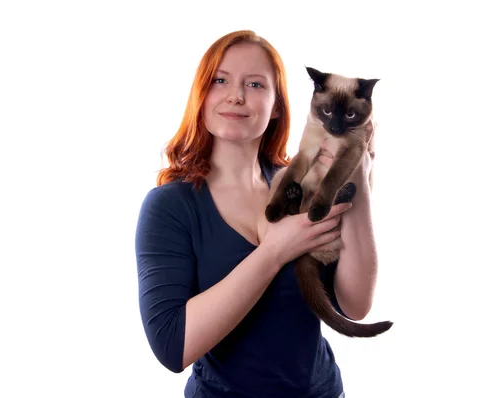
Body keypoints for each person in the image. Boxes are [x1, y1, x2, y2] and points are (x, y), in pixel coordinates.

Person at [135, 30, 378, 398]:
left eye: (255, 84)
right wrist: (274, 252)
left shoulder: (298, 184)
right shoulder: (170, 206)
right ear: (202, 95)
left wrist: (356, 169)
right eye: (220, 80)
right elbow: (173, 346)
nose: (236, 95)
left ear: (278, 105)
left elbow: (355, 305)